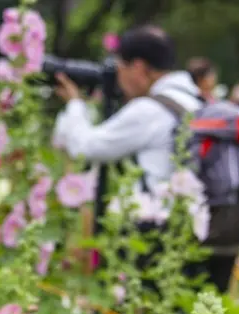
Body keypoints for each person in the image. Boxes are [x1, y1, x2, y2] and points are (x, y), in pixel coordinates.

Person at [51, 25, 209, 296]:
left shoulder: (150, 110)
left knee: (138, 311)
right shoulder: (197, 102)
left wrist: (75, 104)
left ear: (137, 67)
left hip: (154, 234)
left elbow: (86, 147)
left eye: (120, 68)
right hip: (195, 230)